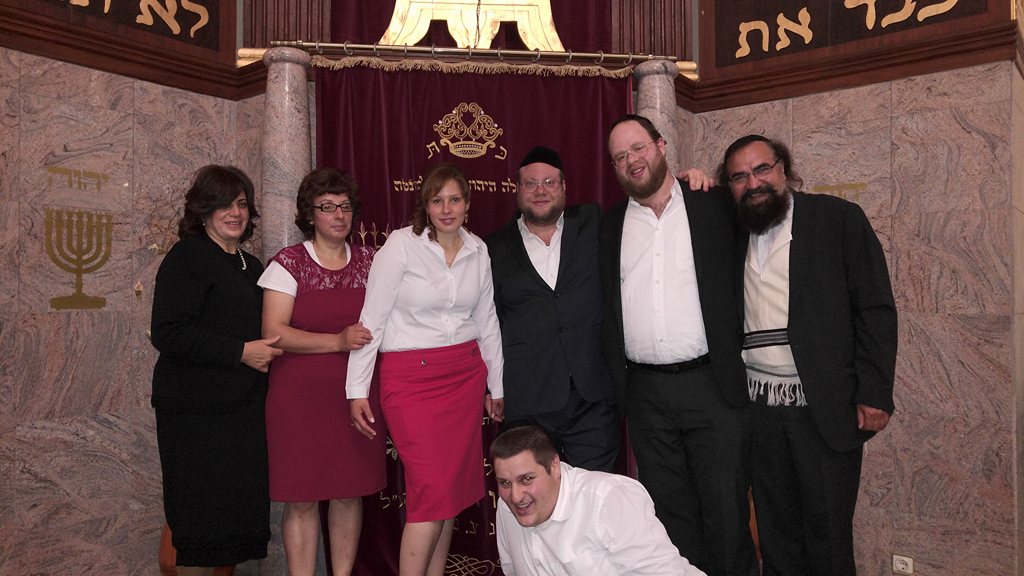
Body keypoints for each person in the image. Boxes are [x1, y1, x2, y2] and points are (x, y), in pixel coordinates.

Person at [717, 134, 897, 575]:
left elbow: (874, 308)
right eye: (739, 177)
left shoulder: (837, 219)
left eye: (762, 169)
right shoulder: (731, 232)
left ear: (783, 168)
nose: (753, 183)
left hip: (823, 409)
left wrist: (875, 391)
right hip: (759, 413)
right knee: (777, 535)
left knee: (828, 536)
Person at [599, 114, 757, 576]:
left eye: (639, 147)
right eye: (620, 156)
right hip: (646, 394)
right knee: (670, 518)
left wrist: (705, 178)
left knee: (726, 511)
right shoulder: (608, 225)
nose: (632, 160)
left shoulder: (713, 204)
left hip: (712, 385)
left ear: (661, 145)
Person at [346, 163, 505, 576]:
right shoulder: (401, 246)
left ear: (467, 205)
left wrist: (497, 385)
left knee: (449, 495)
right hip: (410, 380)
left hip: (464, 378)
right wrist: (356, 389)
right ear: (426, 206)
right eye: (438, 200)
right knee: (433, 492)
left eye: (454, 200)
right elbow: (372, 319)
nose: (446, 209)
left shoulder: (478, 250)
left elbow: (487, 321)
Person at [150, 165, 283, 575]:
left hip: (241, 413)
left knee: (233, 523)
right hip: (194, 414)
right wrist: (240, 352)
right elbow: (168, 331)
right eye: (224, 203)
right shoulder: (187, 256)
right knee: (199, 524)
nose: (235, 212)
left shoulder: (252, 265)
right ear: (203, 209)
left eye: (241, 203)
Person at [258, 168, 386, 575]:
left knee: (349, 493)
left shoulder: (373, 262)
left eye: (345, 206)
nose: (338, 215)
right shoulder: (288, 263)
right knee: (302, 498)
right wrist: (337, 341)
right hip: (299, 401)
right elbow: (274, 333)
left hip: (356, 397)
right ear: (309, 214)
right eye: (327, 207)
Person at [485, 145, 619, 472]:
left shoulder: (593, 223)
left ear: (564, 187)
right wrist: (492, 386)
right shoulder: (492, 248)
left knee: (595, 490)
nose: (540, 190)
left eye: (549, 182)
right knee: (531, 493)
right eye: (531, 183)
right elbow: (486, 322)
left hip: (591, 394)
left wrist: (685, 184)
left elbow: (644, 205)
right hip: (527, 396)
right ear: (517, 189)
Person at [491, 425, 706, 576]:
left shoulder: (610, 499)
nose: (515, 496)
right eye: (505, 483)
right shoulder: (506, 507)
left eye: (527, 479)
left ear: (554, 466)